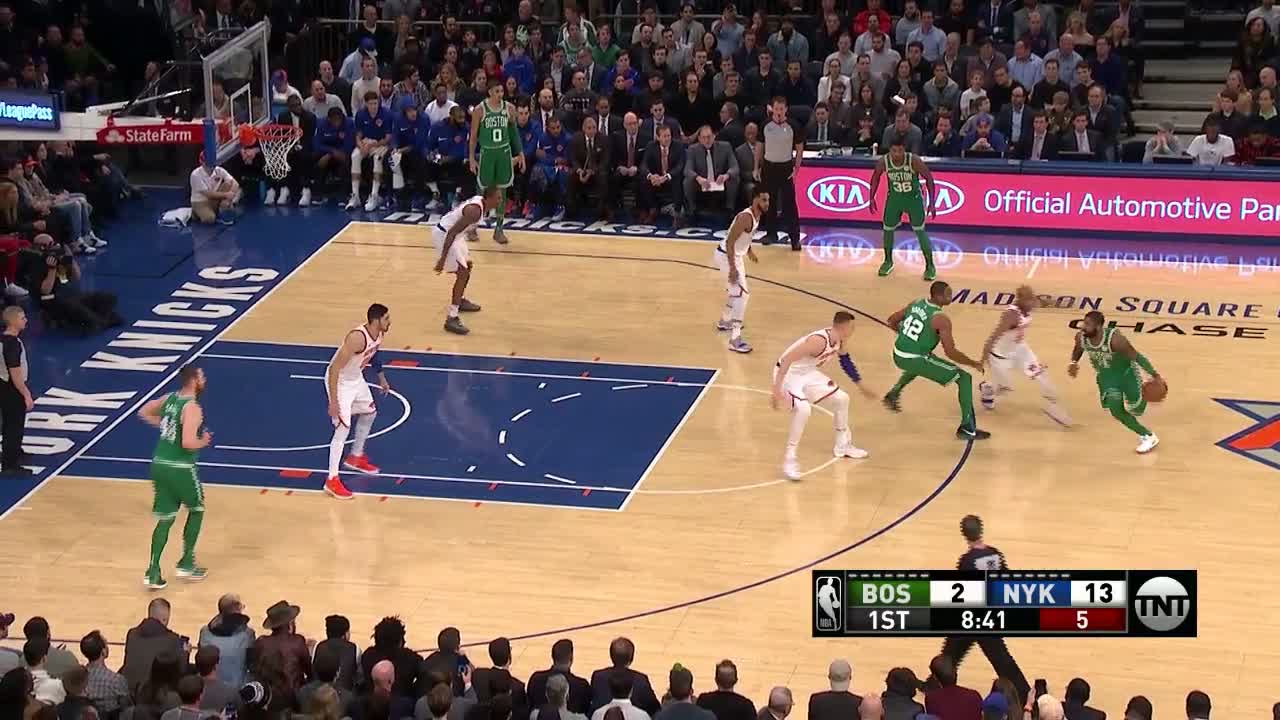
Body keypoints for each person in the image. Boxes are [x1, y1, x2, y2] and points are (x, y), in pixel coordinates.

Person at [770, 311, 875, 480]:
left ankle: (842, 445)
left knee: (842, 398)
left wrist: (861, 386)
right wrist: (776, 389)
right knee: (803, 410)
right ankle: (789, 459)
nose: (854, 330)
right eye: (852, 327)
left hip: (807, 373)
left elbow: (846, 362)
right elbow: (787, 359)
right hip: (787, 374)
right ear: (844, 327)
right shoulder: (818, 342)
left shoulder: (840, 340)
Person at [937, 516, 1030, 704]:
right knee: (953, 650)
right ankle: (934, 683)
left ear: (964, 534)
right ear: (981, 530)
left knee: (995, 657)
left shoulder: (967, 561)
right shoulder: (995, 554)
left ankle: (1024, 691)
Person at [137, 364, 213, 588]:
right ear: (194, 380)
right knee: (196, 509)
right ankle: (186, 564)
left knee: (166, 518)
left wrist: (165, 428)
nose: (205, 380)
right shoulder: (192, 408)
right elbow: (187, 442)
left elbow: (143, 411)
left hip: (159, 463)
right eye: (202, 376)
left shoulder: (169, 398)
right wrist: (203, 441)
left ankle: (152, 571)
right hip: (180, 467)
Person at [883, 282, 990, 440]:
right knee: (964, 378)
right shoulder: (940, 319)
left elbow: (891, 320)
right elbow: (950, 352)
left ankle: (893, 394)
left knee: (923, 362)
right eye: (948, 294)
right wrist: (973, 363)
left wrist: (906, 336)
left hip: (898, 353)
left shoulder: (917, 303)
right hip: (913, 358)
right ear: (938, 296)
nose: (951, 297)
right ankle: (967, 428)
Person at [1068, 310, 1163, 453]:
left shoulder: (1116, 340)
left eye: (1087, 324)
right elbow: (1078, 348)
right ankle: (1147, 436)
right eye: (1084, 323)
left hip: (1127, 375)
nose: (1083, 327)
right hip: (1108, 379)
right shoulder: (1081, 337)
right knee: (1116, 410)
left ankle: (1144, 392)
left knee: (1137, 410)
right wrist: (1074, 362)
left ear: (1098, 327)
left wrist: (1155, 375)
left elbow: (1136, 357)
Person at [323, 304, 392, 500]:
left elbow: (374, 354)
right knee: (342, 429)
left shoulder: (378, 334)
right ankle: (332, 480)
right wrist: (333, 402)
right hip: (341, 382)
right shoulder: (357, 338)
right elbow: (334, 369)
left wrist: (381, 377)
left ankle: (355, 456)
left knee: (370, 412)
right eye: (386, 318)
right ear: (376, 320)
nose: (389, 322)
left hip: (356, 379)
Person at [868, 134, 938, 280]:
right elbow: (875, 178)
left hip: (913, 200)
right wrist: (871, 197)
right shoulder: (884, 161)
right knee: (887, 229)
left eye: (900, 151)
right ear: (890, 150)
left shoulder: (913, 160)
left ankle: (930, 265)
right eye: (894, 151)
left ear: (904, 150)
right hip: (894, 199)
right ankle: (888, 261)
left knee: (920, 231)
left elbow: (929, 179)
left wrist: (932, 203)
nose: (897, 154)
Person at [433, 188, 501, 336]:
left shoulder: (481, 205)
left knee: (467, 267)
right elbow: (452, 232)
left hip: (456, 236)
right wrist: (442, 259)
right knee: (462, 273)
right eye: (498, 198)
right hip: (445, 235)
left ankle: (460, 300)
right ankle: (451, 317)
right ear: (488, 198)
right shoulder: (474, 211)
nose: (500, 201)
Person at [470, 80, 526, 244]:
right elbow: (473, 137)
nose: (500, 94)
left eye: (502, 91)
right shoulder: (480, 110)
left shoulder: (509, 108)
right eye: (497, 91)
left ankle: (499, 229)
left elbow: (514, 133)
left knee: (502, 190)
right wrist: (472, 158)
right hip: (487, 153)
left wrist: (521, 153)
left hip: (504, 153)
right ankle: (473, 226)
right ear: (490, 92)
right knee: (481, 190)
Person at [713, 188, 768, 354]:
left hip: (736, 256)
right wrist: (732, 269)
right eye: (764, 200)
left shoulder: (757, 215)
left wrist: (749, 250)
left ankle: (725, 321)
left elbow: (745, 238)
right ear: (755, 199)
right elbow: (730, 242)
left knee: (736, 292)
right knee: (742, 295)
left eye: (768, 200)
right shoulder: (745, 217)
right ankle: (735, 339)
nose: (767, 204)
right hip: (726, 256)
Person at [755, 97, 803, 249]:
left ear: (786, 109)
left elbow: (800, 148)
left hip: (785, 167)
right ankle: (771, 233)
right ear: (772, 109)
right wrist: (756, 167)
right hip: (769, 167)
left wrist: (796, 168)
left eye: (781, 109)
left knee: (790, 204)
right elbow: (759, 146)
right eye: (776, 109)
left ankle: (794, 238)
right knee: (770, 202)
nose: (779, 112)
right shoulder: (765, 125)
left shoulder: (793, 125)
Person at [348, 91, 394, 211]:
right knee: (354, 156)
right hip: (366, 142)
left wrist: (374, 144)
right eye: (371, 104)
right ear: (366, 104)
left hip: (381, 143)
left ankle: (374, 195)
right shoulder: (360, 114)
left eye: (375, 103)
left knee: (377, 158)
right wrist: (361, 146)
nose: (374, 106)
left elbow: (388, 138)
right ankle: (355, 196)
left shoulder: (386, 114)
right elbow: (358, 135)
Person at [0, 306, 31, 476]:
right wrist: (26, 394)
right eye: (22, 318)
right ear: (13, 322)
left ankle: (14, 452)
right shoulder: (12, 344)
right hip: (12, 388)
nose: (25, 320)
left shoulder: (3, 340)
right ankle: (9, 464)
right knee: (14, 425)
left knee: (8, 423)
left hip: (3, 385)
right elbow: (15, 374)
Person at [189, 156, 240, 224]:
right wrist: (226, 195)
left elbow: (235, 183)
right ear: (202, 162)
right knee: (210, 218)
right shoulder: (195, 175)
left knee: (228, 183)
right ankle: (195, 212)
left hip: (215, 198)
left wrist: (228, 198)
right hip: (200, 201)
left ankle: (221, 208)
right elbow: (209, 194)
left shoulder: (219, 170)